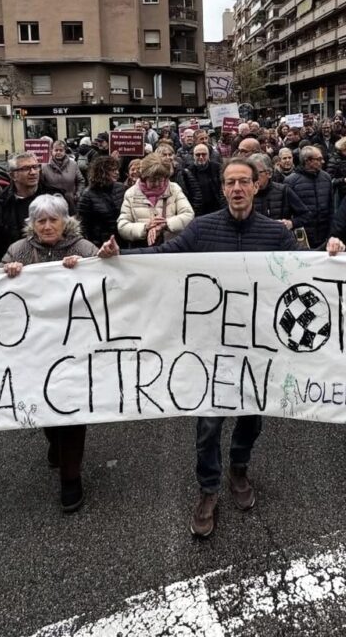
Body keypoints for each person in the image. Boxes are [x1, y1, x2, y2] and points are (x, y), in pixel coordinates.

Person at [99, 158, 296, 538]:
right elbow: (161, 259)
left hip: (257, 346)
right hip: (211, 344)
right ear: (222, 189)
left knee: (252, 416)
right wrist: (120, 258)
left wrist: (334, 253)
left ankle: (238, 469)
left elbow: (305, 272)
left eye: (244, 182)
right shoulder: (202, 229)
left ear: (257, 186)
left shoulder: (275, 234)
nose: (237, 189)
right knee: (208, 424)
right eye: (230, 183)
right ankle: (209, 489)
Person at [0, 194, 98, 512]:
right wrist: (8, 274)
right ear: (32, 224)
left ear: (64, 221)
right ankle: (54, 443)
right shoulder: (18, 251)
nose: (46, 226)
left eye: (52, 219)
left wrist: (86, 269)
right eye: (40, 220)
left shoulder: (82, 248)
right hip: (34, 347)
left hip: (74, 346)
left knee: (70, 407)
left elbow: (108, 278)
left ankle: (71, 478)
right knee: (44, 403)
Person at [0, 152, 60, 267]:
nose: (33, 172)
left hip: (49, 269)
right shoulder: (0, 205)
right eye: (26, 168)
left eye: (35, 167)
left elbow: (71, 235)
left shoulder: (55, 198)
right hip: (13, 271)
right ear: (13, 175)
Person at [117, 153, 194, 247]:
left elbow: (188, 215)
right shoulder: (131, 194)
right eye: (153, 180)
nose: (157, 184)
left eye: (161, 180)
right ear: (144, 178)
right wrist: (145, 228)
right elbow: (122, 226)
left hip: (171, 247)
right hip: (142, 249)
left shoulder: (174, 189)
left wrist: (166, 224)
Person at [284, 145, 338, 250]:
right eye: (319, 159)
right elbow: (287, 212)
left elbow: (331, 208)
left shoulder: (326, 177)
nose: (322, 162)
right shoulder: (291, 181)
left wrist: (332, 232)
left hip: (324, 235)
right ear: (307, 161)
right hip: (302, 237)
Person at [247, 153, 308, 231]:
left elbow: (306, 215)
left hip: (278, 240)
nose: (252, 177)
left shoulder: (283, 191)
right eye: (249, 173)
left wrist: (291, 223)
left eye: (256, 173)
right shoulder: (245, 193)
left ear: (269, 173)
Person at [77, 155, 125, 247]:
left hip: (122, 242)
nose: (117, 173)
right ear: (102, 172)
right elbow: (83, 225)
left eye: (117, 169)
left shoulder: (121, 188)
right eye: (112, 170)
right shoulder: (88, 194)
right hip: (99, 244)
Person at [178, 144, 225, 217]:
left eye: (204, 154)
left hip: (217, 208)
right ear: (193, 156)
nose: (201, 157)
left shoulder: (218, 168)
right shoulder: (187, 172)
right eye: (198, 155)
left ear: (208, 155)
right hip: (198, 210)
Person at [41, 140, 85, 212]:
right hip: (51, 205)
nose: (58, 152)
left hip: (71, 203)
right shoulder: (44, 166)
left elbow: (81, 181)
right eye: (56, 150)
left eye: (61, 150)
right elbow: (41, 184)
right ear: (52, 151)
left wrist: (78, 195)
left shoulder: (73, 164)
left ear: (65, 151)